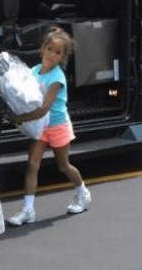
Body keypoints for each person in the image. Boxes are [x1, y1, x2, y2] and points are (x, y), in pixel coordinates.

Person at [7, 26, 91, 226]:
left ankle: (82, 193)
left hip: (57, 126)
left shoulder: (57, 78)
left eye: (58, 52)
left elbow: (44, 108)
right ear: (42, 49)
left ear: (63, 57)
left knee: (63, 165)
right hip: (40, 127)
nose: (53, 55)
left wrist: (20, 118)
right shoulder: (34, 71)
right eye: (50, 49)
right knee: (32, 165)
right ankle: (28, 210)